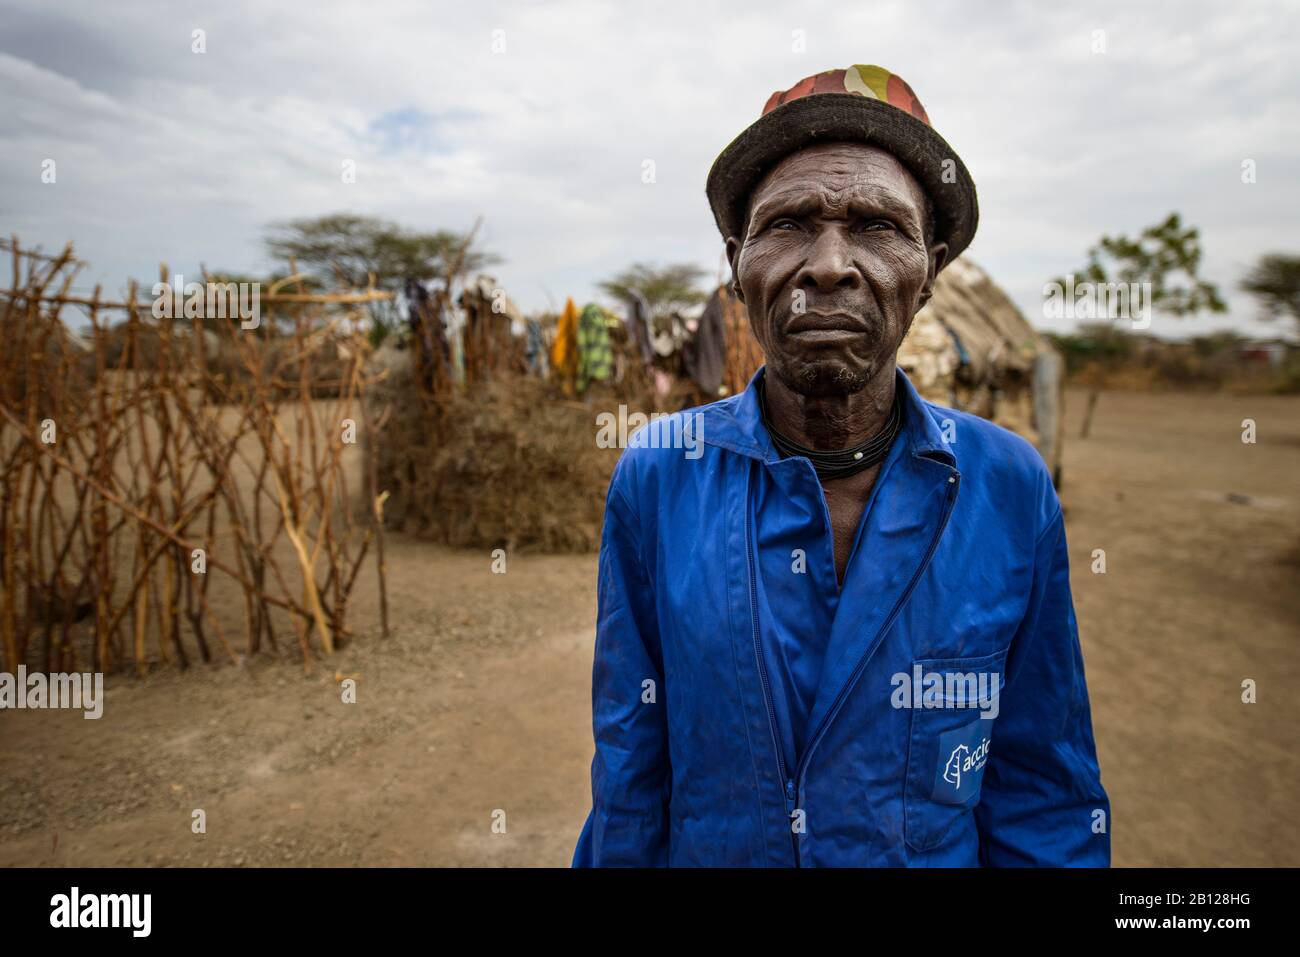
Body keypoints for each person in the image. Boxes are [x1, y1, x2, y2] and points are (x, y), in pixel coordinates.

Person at [574, 64, 1109, 866]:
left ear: (928, 273)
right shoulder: (658, 476)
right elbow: (630, 778)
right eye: (788, 223)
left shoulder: (1008, 487)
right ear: (736, 262)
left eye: (876, 226)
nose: (828, 263)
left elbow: (1043, 791)